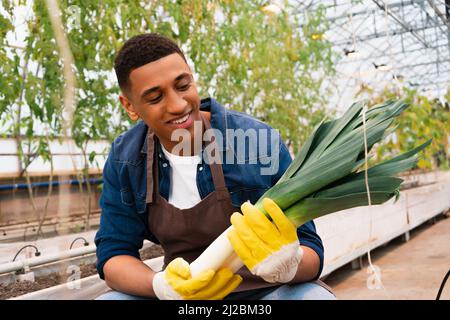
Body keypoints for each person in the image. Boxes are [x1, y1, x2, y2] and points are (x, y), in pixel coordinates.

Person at [94, 33, 335, 300]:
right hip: (186, 298)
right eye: (155, 98)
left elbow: (312, 250)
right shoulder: (125, 159)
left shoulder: (257, 142)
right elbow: (114, 253)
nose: (177, 105)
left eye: (183, 85)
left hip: (267, 292)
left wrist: (289, 267)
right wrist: (163, 287)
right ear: (129, 105)